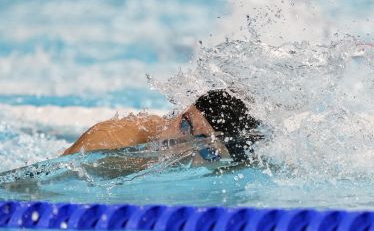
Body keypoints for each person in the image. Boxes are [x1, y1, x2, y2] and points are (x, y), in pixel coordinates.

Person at [63, 89, 262, 166]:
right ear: (184, 112)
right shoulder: (107, 140)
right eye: (184, 125)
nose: (181, 143)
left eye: (208, 151)